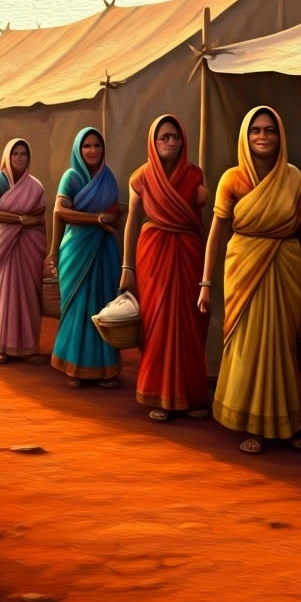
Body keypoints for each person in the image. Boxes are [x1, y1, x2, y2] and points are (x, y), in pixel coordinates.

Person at [198, 106, 301, 454]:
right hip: (244, 267)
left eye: (270, 130)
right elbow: (216, 234)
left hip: (288, 268)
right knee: (250, 346)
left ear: (279, 136)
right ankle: (250, 423)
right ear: (246, 135)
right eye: (256, 130)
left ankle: (286, 424)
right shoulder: (232, 179)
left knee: (283, 348)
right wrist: (206, 283)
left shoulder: (294, 178)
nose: (263, 137)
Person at [121, 115, 210, 422]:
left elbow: (205, 218)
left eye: (175, 137)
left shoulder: (195, 174)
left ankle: (192, 394)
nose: (171, 142)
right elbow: (132, 220)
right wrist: (127, 266)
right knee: (157, 323)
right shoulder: (141, 176)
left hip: (188, 252)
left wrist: (208, 271)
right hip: (153, 253)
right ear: (153, 142)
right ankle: (158, 393)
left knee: (190, 323)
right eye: (164, 137)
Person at [49, 128, 122, 387]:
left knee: (101, 305)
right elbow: (60, 211)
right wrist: (54, 249)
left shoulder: (108, 178)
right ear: (78, 150)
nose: (92, 151)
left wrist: (110, 221)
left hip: (104, 249)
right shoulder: (71, 176)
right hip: (75, 250)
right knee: (77, 307)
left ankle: (103, 369)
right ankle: (74, 366)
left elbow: (115, 213)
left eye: (96, 146)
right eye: (87, 146)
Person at [0, 139, 47, 363]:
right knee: (3, 293)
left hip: (29, 246)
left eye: (23, 154)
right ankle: (1, 346)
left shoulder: (35, 186)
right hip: (2, 246)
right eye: (15, 153)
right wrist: (19, 219)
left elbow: (39, 218)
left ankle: (27, 348)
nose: (19, 157)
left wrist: (45, 247)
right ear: (8, 156)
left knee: (27, 295)